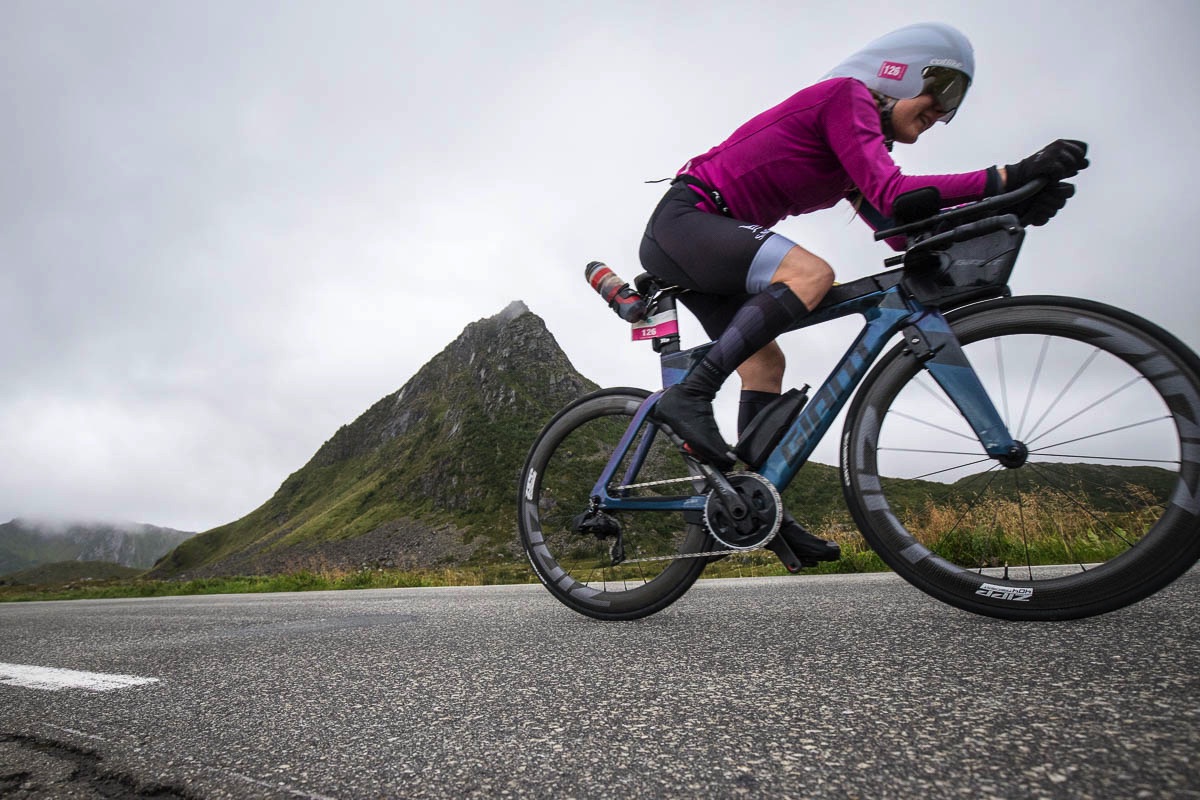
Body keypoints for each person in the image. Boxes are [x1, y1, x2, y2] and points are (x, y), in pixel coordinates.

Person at [638, 22, 1088, 565]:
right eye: (930, 105)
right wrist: (1007, 176)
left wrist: (1009, 205)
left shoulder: (850, 150)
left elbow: (898, 227)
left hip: (712, 244)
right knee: (810, 275)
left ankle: (755, 510)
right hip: (688, 220)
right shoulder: (845, 97)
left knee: (764, 366)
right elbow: (897, 193)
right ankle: (689, 396)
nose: (930, 124)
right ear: (900, 72)